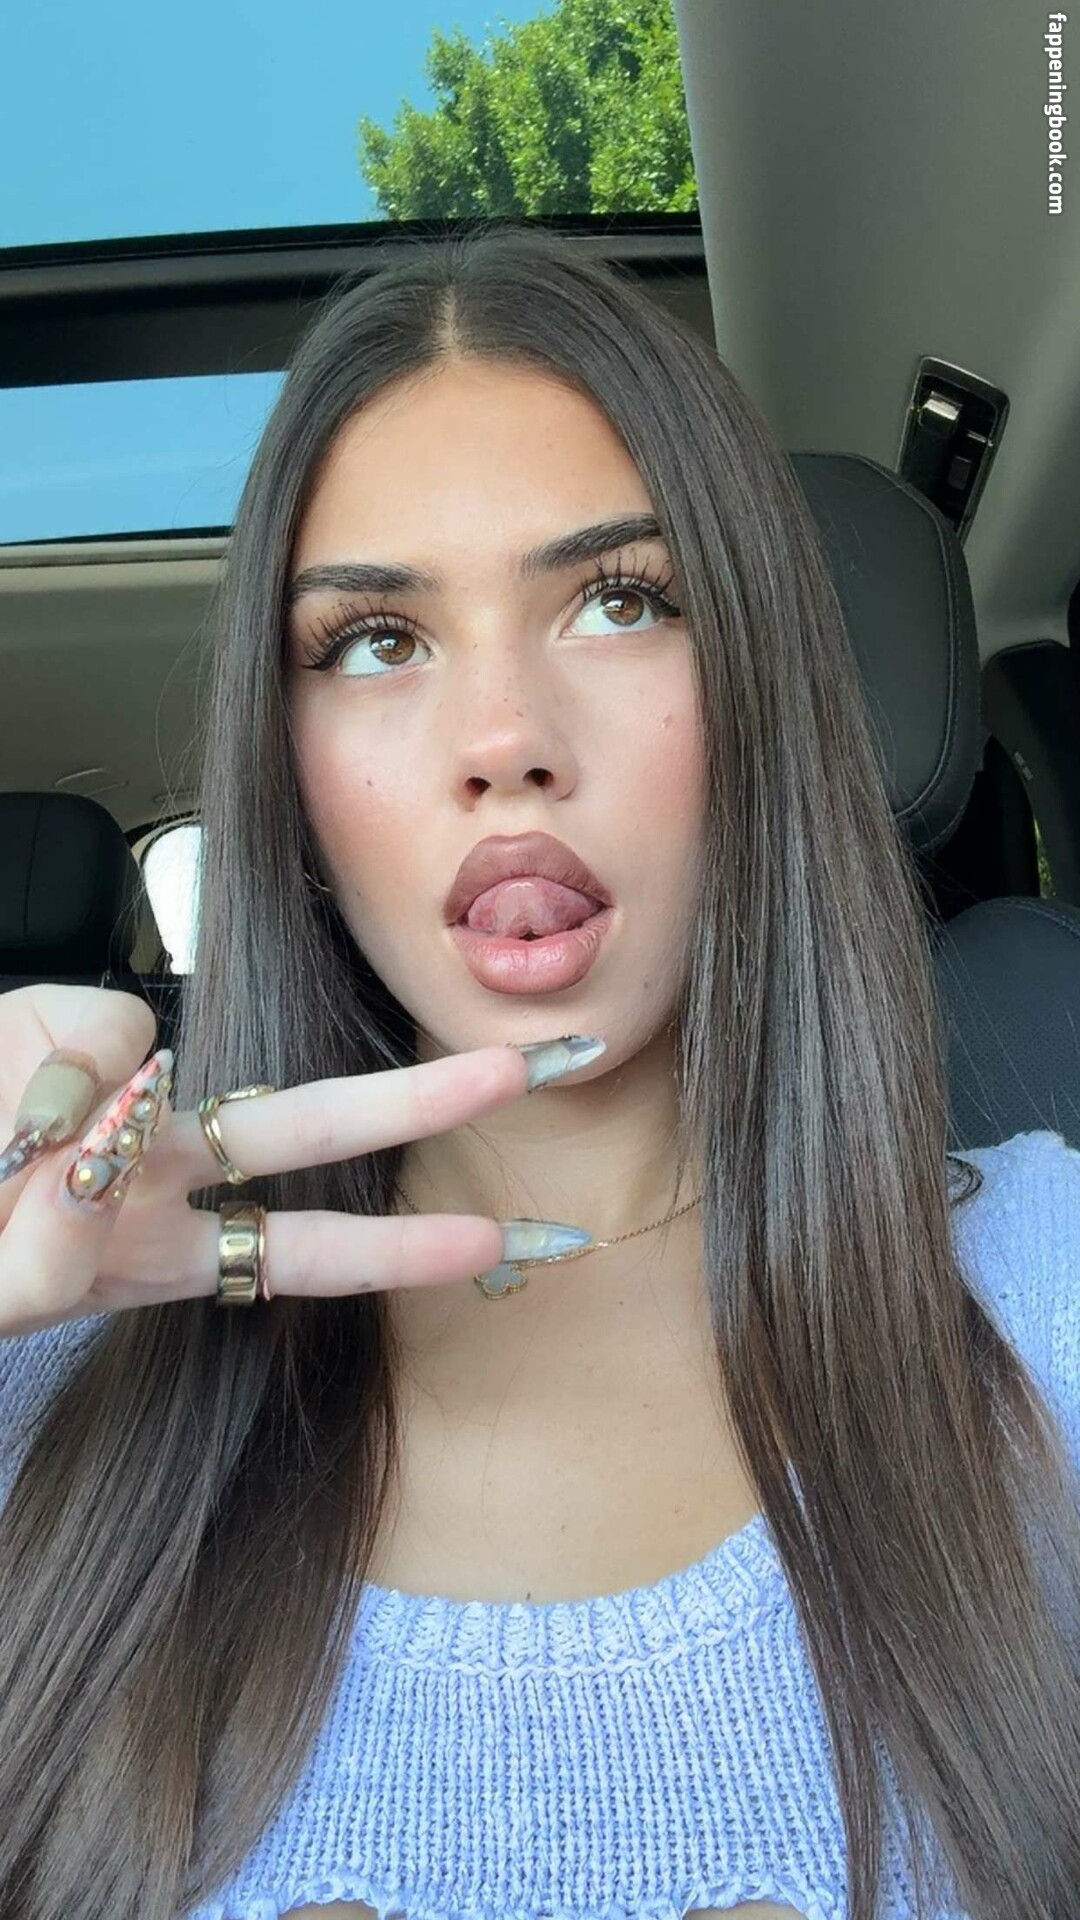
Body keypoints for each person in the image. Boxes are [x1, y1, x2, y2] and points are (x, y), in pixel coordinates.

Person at [0, 223, 1076, 1920]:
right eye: (376, 640)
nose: (504, 739)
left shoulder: (1048, 1288)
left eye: (621, 601)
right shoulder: (50, 1360)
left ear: (760, 690)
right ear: (287, 777)